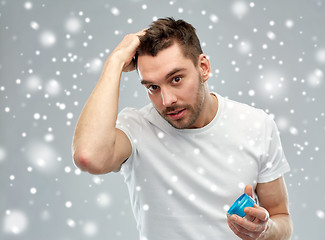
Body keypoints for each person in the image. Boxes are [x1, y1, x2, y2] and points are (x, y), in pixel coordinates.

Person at [72, 17, 293, 240]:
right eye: (153, 87)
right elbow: (89, 156)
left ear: (204, 68)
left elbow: (281, 217)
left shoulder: (256, 125)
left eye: (176, 79)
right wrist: (115, 62)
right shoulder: (137, 127)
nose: (167, 100)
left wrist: (264, 231)